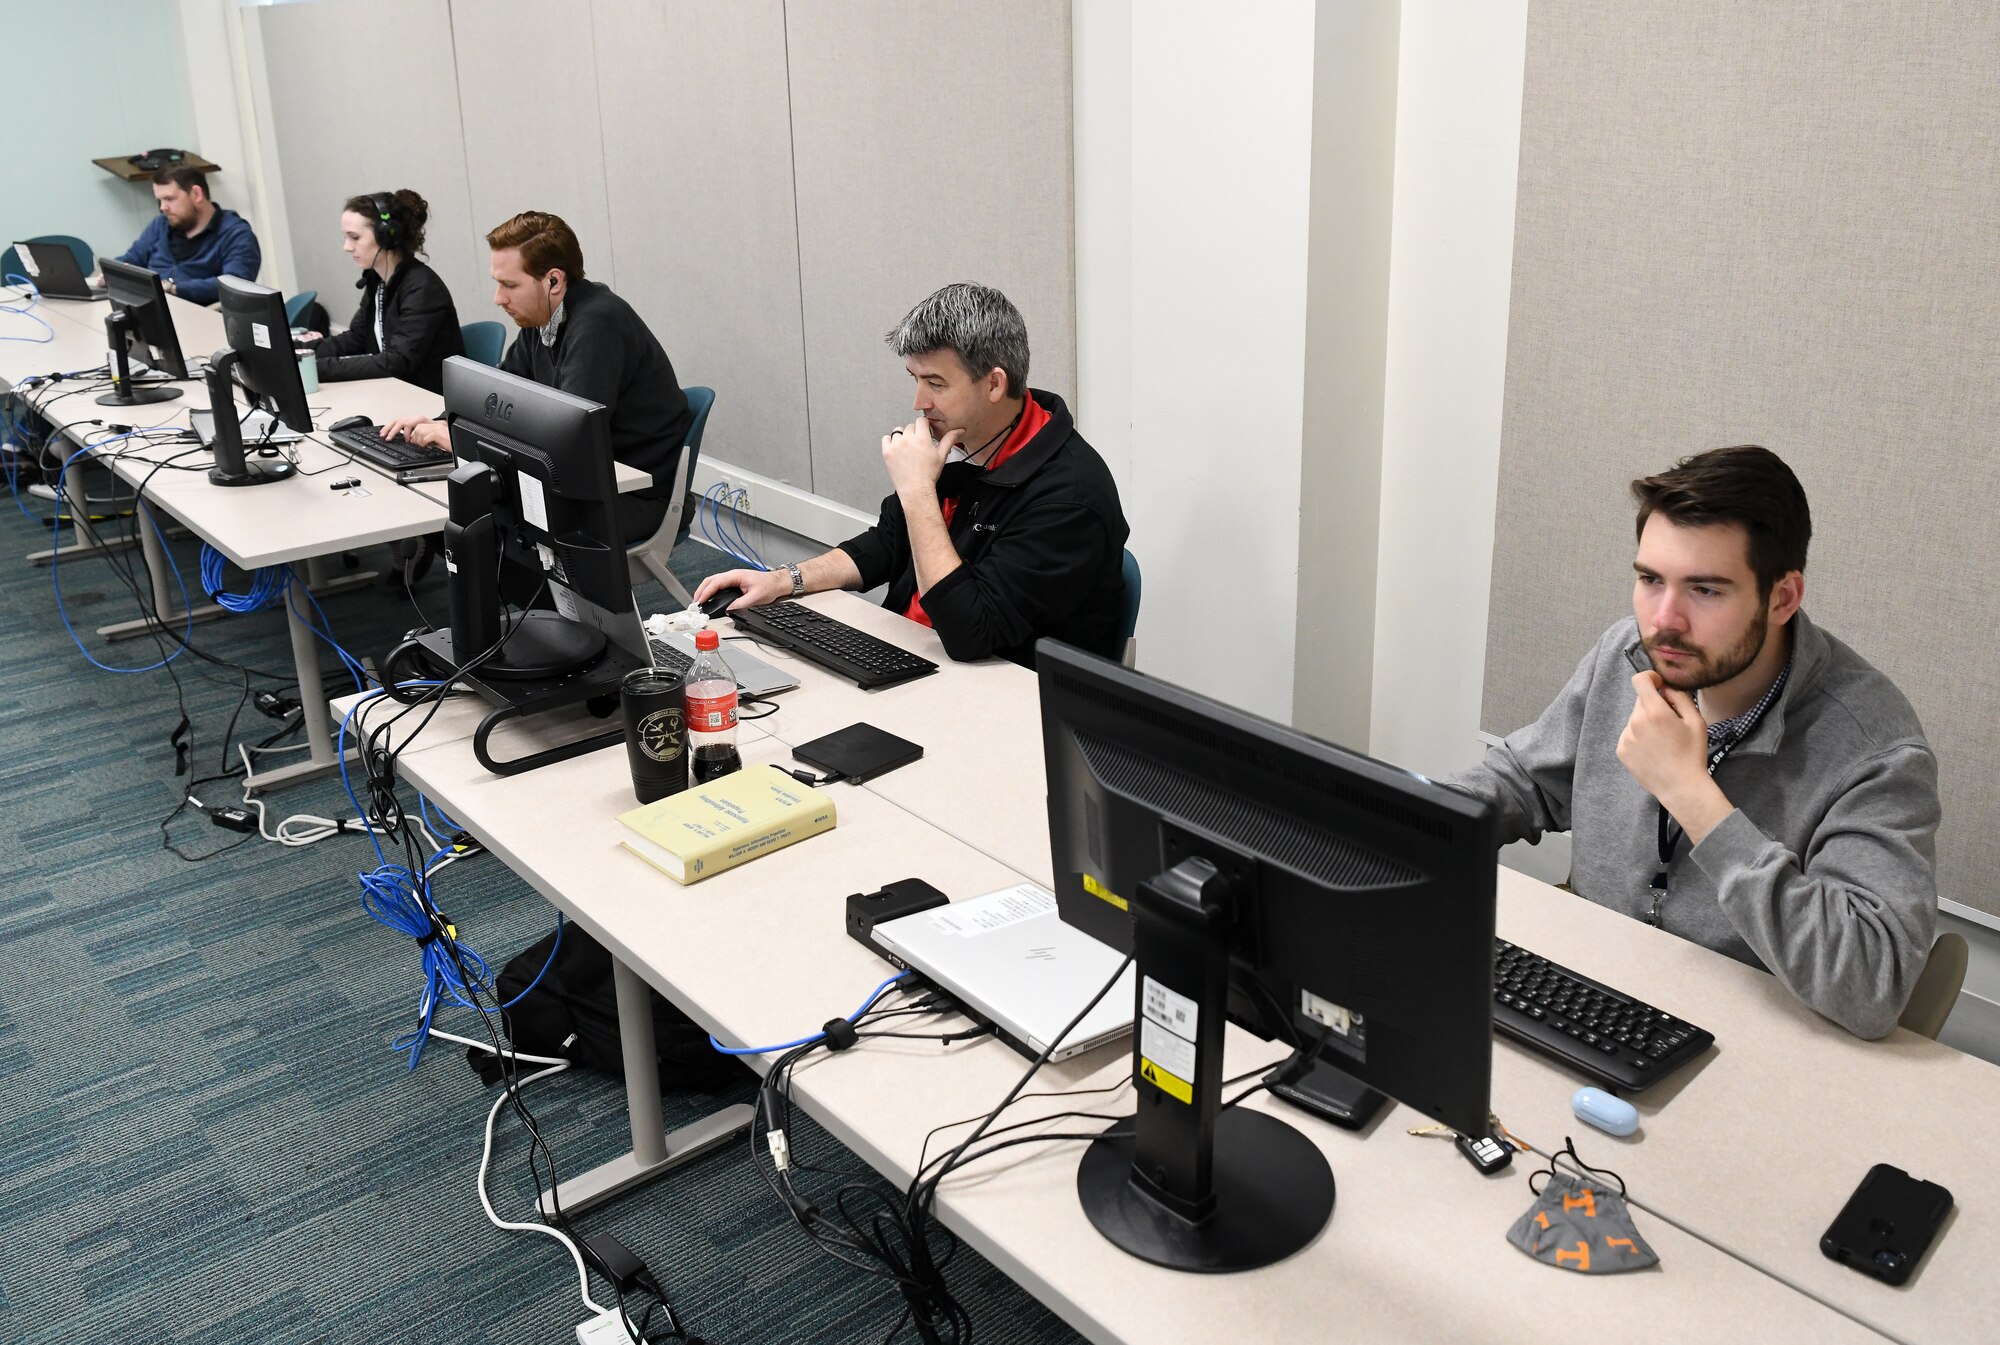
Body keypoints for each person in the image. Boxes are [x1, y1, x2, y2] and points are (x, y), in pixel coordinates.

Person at [1445, 445, 1939, 1039]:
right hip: (1597, 986)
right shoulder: (1628, 652)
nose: (1664, 620)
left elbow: (1869, 984)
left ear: (1783, 597)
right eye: (1651, 580)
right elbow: (1525, 781)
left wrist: (1691, 794)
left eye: (1705, 590)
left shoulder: (1875, 750)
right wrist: (1407, 827)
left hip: (1747, 1032)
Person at [694, 283, 1129, 667]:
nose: (919, 401)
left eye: (936, 383)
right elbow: (884, 545)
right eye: (914, 379)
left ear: (995, 384)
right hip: (914, 656)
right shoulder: (966, 441)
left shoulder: (1070, 497)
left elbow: (969, 633)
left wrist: (919, 489)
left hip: (1002, 698)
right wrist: (783, 580)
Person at [382, 211, 691, 544]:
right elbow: (498, 394)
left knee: (484, 518)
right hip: (584, 485)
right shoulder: (542, 319)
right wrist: (442, 423)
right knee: (477, 510)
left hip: (632, 495)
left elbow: (569, 440)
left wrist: (458, 442)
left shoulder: (598, 324)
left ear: (553, 281)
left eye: (510, 285)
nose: (498, 298)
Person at [296, 190, 463, 394]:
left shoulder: (422, 287)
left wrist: (315, 369)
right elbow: (356, 339)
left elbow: (397, 362)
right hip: (392, 392)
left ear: (386, 236)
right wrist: (299, 354)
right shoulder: (377, 281)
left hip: (426, 402)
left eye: (354, 237)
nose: (346, 247)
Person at [111, 165, 261, 305]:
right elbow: (132, 259)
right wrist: (113, 273)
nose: (163, 208)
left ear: (196, 194)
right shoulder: (161, 224)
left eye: (169, 199)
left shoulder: (236, 235)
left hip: (200, 318)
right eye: (160, 200)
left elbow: (234, 285)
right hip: (153, 310)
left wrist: (174, 289)